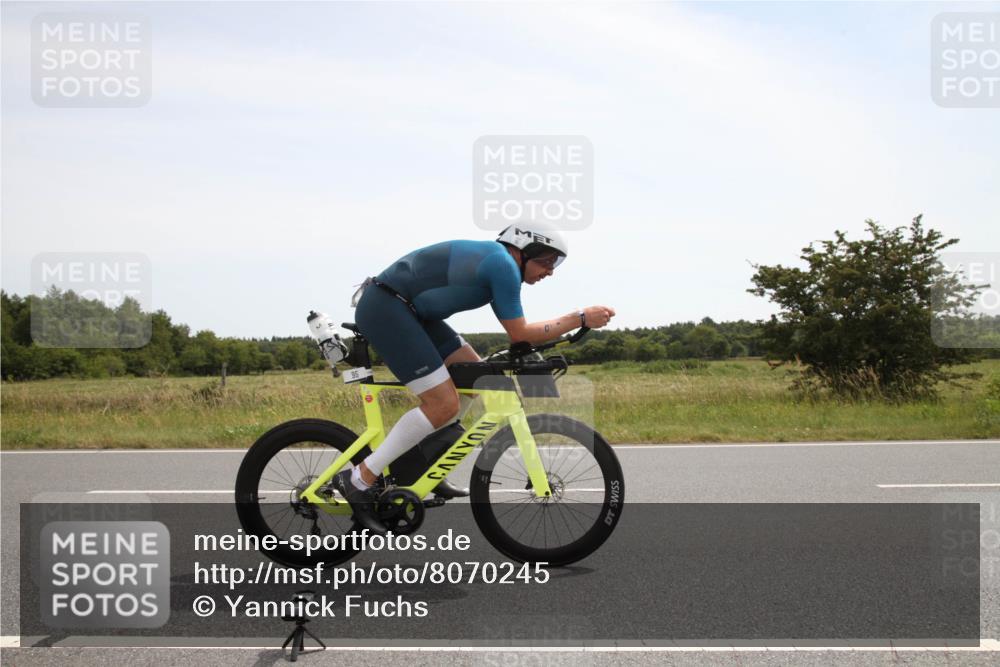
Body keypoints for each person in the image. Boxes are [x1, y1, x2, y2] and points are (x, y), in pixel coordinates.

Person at [333, 222, 616, 533]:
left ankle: (425, 462)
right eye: (547, 261)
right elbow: (520, 332)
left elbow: (519, 340)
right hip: (387, 307)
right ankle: (359, 479)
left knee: (480, 381)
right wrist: (579, 318)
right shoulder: (503, 265)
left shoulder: (502, 262)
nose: (550, 271)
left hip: (411, 311)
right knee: (442, 403)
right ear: (524, 250)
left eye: (556, 264)